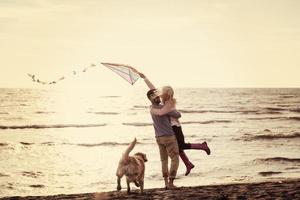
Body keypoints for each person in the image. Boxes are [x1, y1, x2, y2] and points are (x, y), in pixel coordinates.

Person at [150, 85, 211, 176]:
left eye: (162, 93)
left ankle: (202, 146)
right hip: (172, 127)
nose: (160, 94)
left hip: (175, 127)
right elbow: (153, 90)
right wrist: (144, 78)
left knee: (181, 145)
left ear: (166, 95)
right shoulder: (164, 103)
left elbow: (176, 114)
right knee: (178, 148)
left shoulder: (169, 103)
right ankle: (188, 164)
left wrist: (164, 111)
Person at [138, 72, 181, 189]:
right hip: (168, 137)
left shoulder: (152, 108)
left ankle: (166, 183)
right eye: (155, 96)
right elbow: (177, 114)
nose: (157, 97)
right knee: (175, 158)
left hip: (158, 138)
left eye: (158, 95)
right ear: (150, 99)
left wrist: (145, 78)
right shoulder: (161, 108)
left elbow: (152, 89)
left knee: (164, 161)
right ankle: (171, 183)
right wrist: (170, 109)